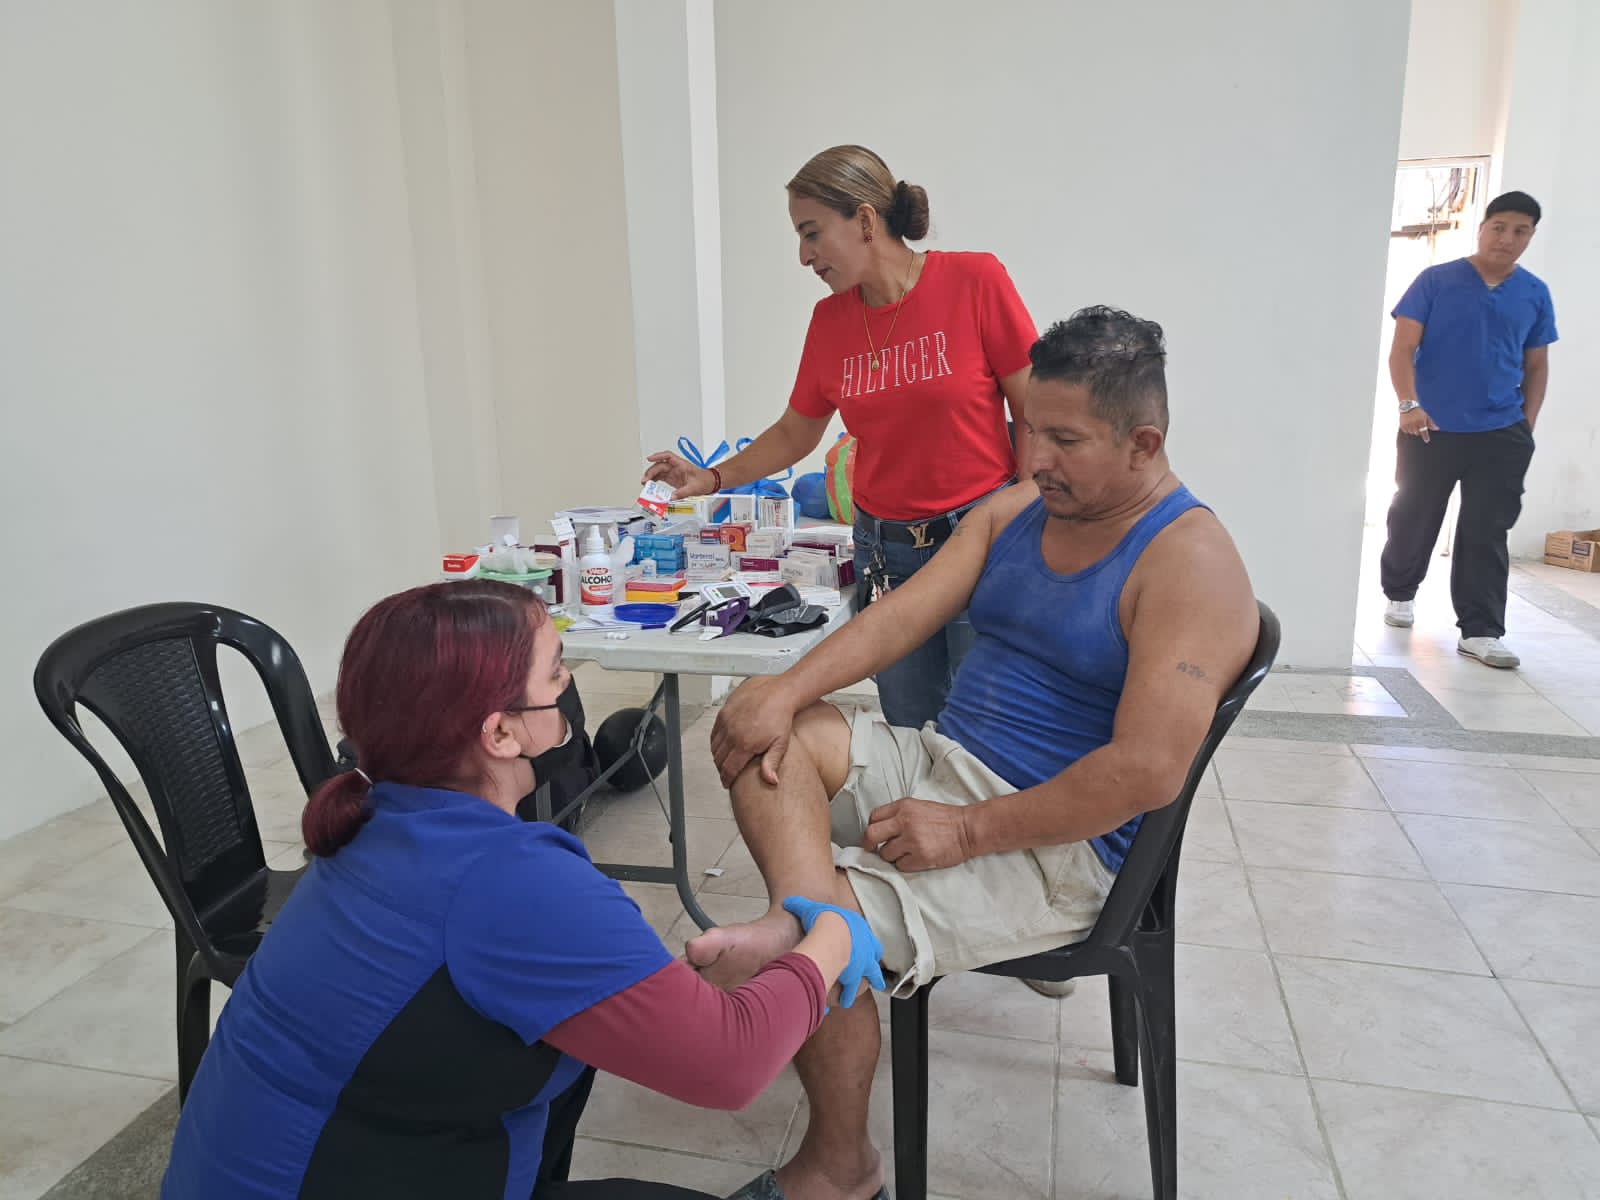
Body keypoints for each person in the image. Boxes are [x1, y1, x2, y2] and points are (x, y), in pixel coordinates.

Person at [685, 308, 1259, 1200]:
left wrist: (966, 831)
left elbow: (1145, 773)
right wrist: (784, 690)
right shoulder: (1025, 508)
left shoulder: (1191, 563)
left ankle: (840, 1165)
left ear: (1144, 443)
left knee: (815, 941)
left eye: (1066, 441)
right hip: (943, 760)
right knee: (773, 739)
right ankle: (805, 916)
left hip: (1058, 847)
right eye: (1032, 429)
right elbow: (904, 614)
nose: (1037, 457)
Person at [161, 580, 886, 1200]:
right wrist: (831, 930)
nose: (569, 687)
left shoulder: (379, 821)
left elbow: (495, 972)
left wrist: (689, 981)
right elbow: (730, 1065)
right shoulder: (512, 882)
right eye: (556, 672)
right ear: (502, 733)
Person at [642, 144, 1038, 731]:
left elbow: (1033, 405)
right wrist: (712, 477)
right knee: (908, 729)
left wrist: (1026, 504)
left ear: (866, 220)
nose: (804, 257)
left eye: (812, 234)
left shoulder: (974, 280)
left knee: (984, 732)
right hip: (887, 553)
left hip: (979, 539)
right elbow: (795, 431)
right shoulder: (830, 322)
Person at [1379, 190, 1558, 669]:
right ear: (1482, 228)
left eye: (1520, 231)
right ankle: (1400, 592)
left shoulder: (1534, 292)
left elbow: (1536, 365)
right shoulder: (1436, 281)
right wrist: (1409, 404)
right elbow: (1402, 349)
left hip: (1501, 431)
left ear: (1530, 237)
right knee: (1414, 515)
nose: (1507, 238)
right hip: (1428, 427)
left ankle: (1480, 630)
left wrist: (1526, 425)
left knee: (1487, 530)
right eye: (1499, 227)